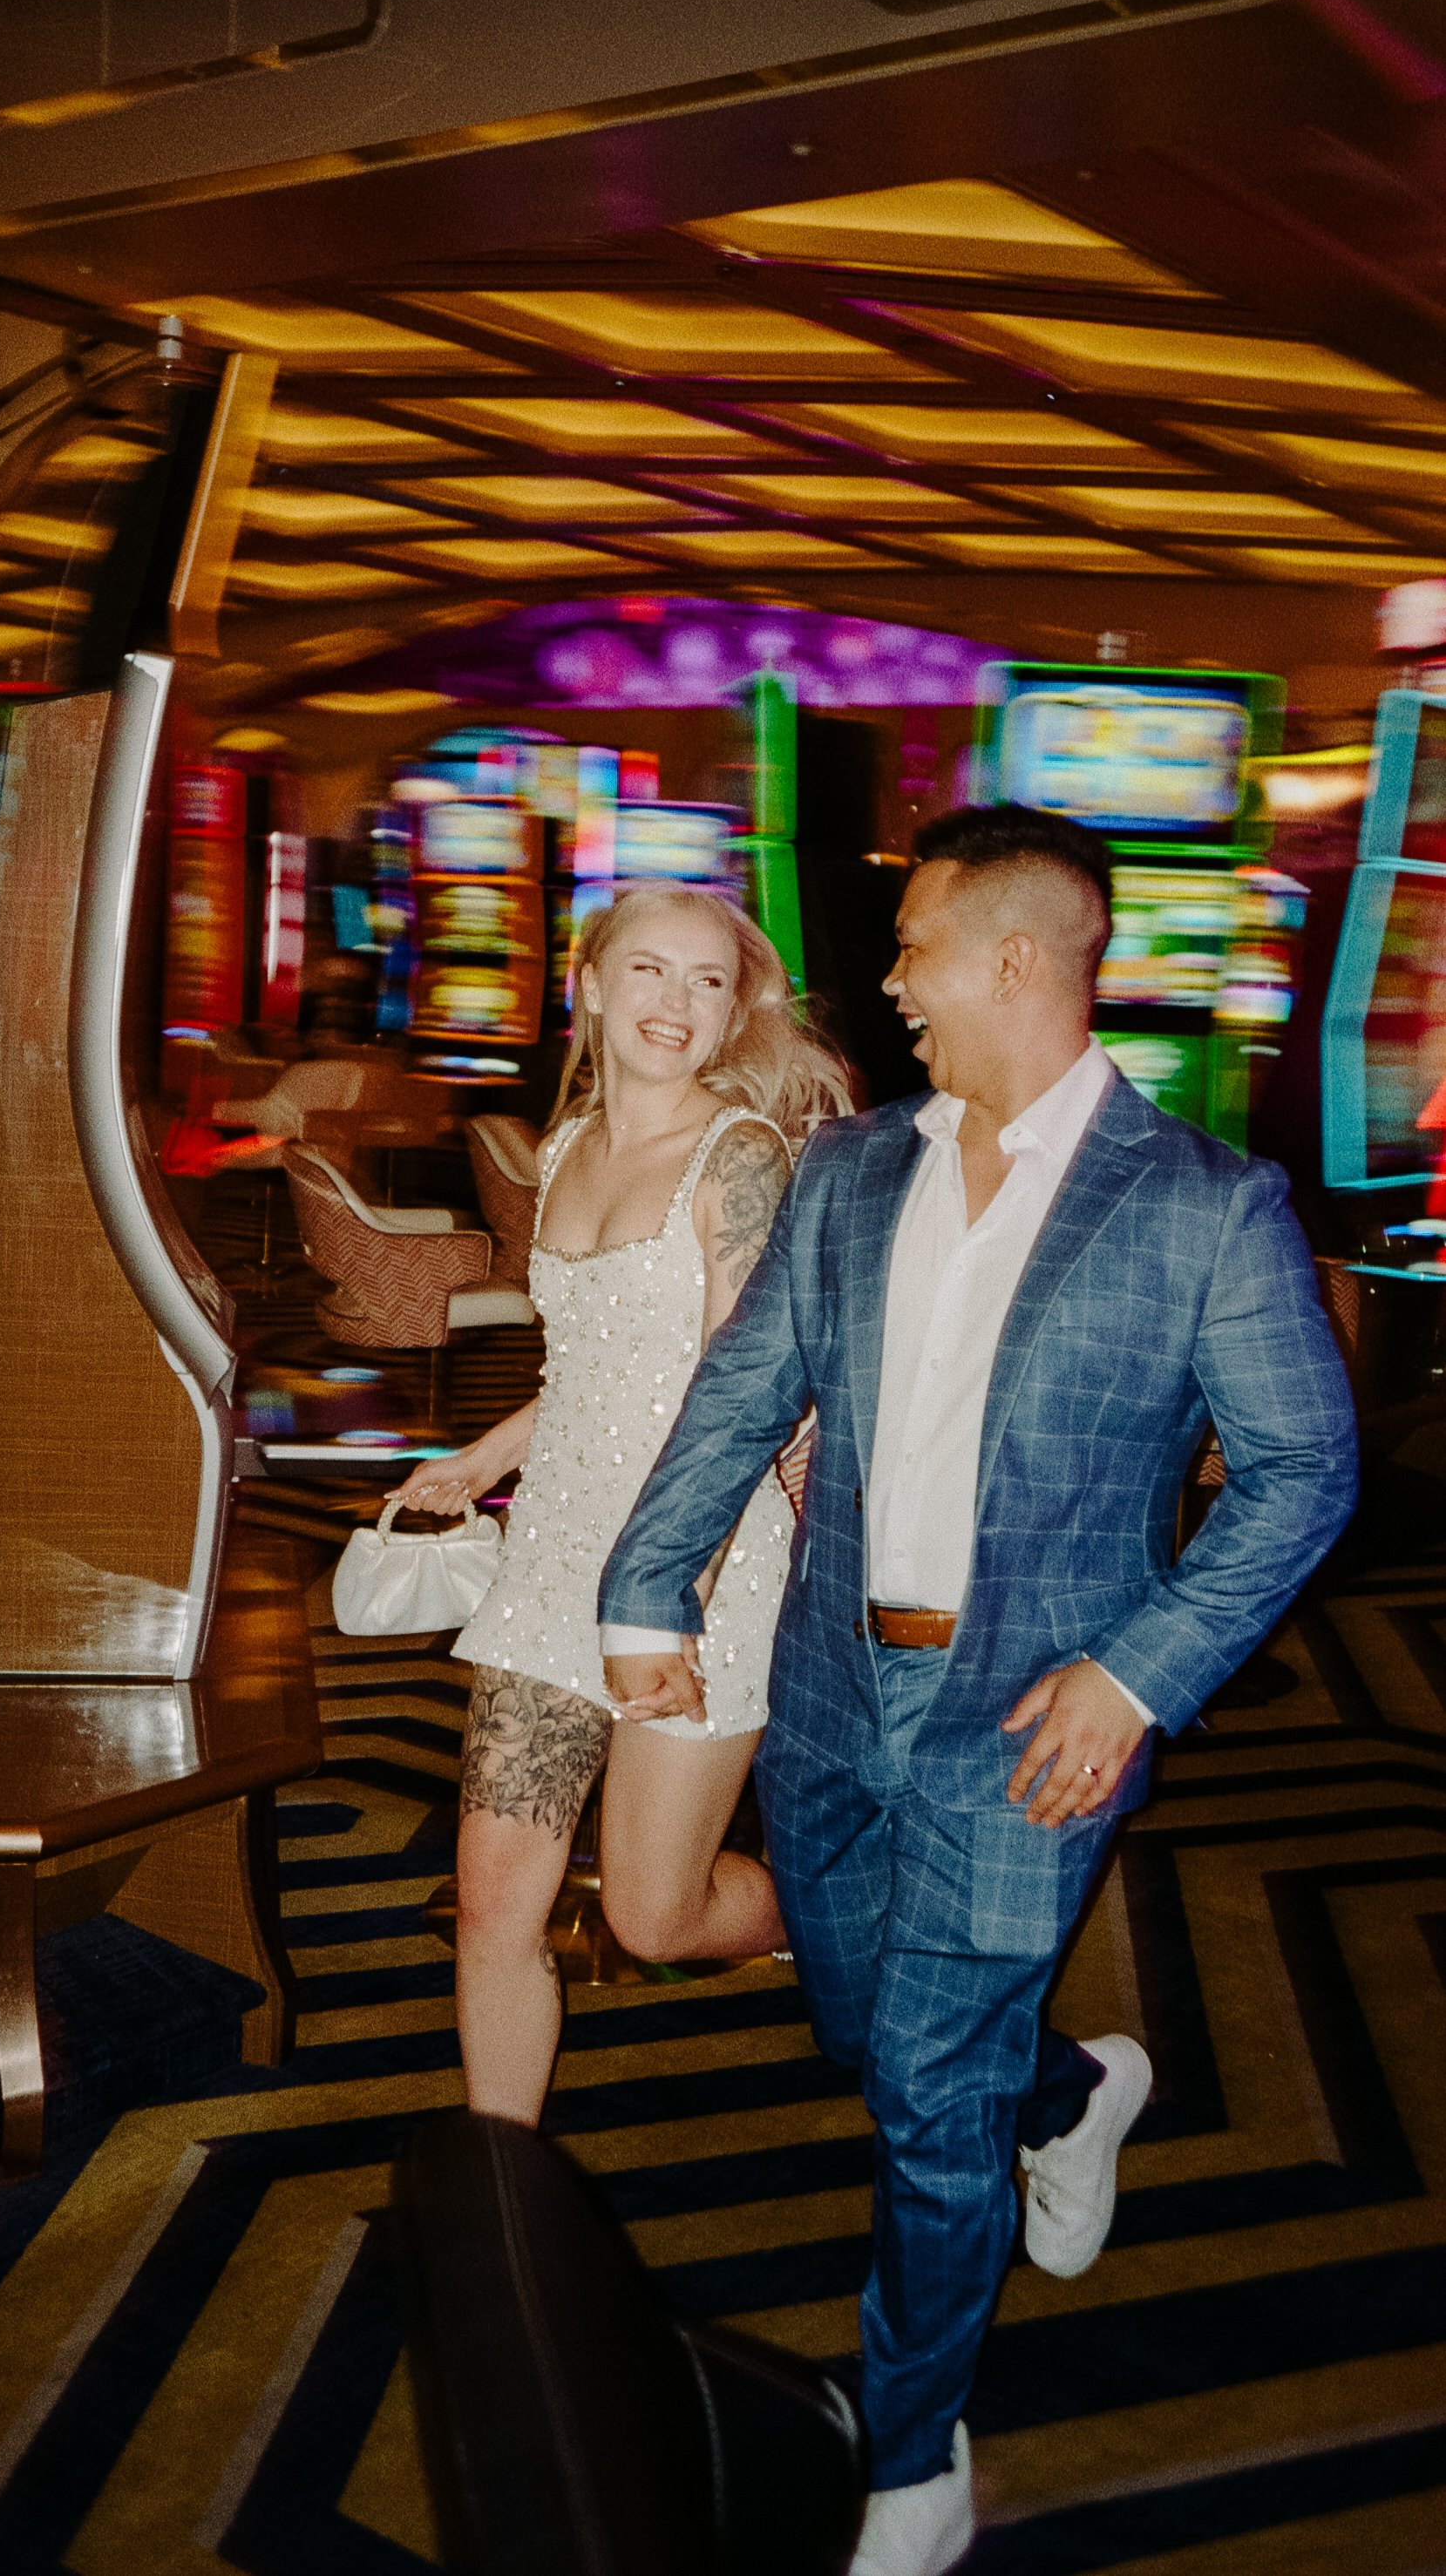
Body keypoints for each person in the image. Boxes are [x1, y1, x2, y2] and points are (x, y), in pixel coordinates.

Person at [597, 805, 1357, 2576]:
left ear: (1019, 958)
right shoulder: (857, 1170)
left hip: (1038, 1723)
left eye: (919, 942)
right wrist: (647, 1581)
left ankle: (916, 2450)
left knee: (926, 2097)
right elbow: (742, 1394)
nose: (892, 979)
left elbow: (1303, 1472)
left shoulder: (1205, 1206)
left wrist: (1138, 1671)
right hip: (837, 1692)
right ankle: (1074, 2088)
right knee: (870, 2034)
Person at [388, 884, 851, 2125]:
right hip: (552, 1558)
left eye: (708, 983)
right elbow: (592, 1365)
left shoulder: (739, 1155)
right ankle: (503, 2181)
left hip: (694, 1568)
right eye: (650, 971)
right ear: (589, 986)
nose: (676, 1004)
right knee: (493, 1902)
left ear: (732, 1011)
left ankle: (862, 1917)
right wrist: (485, 1456)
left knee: (654, 1912)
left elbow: (736, 1391)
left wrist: (673, 1585)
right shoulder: (565, 1147)